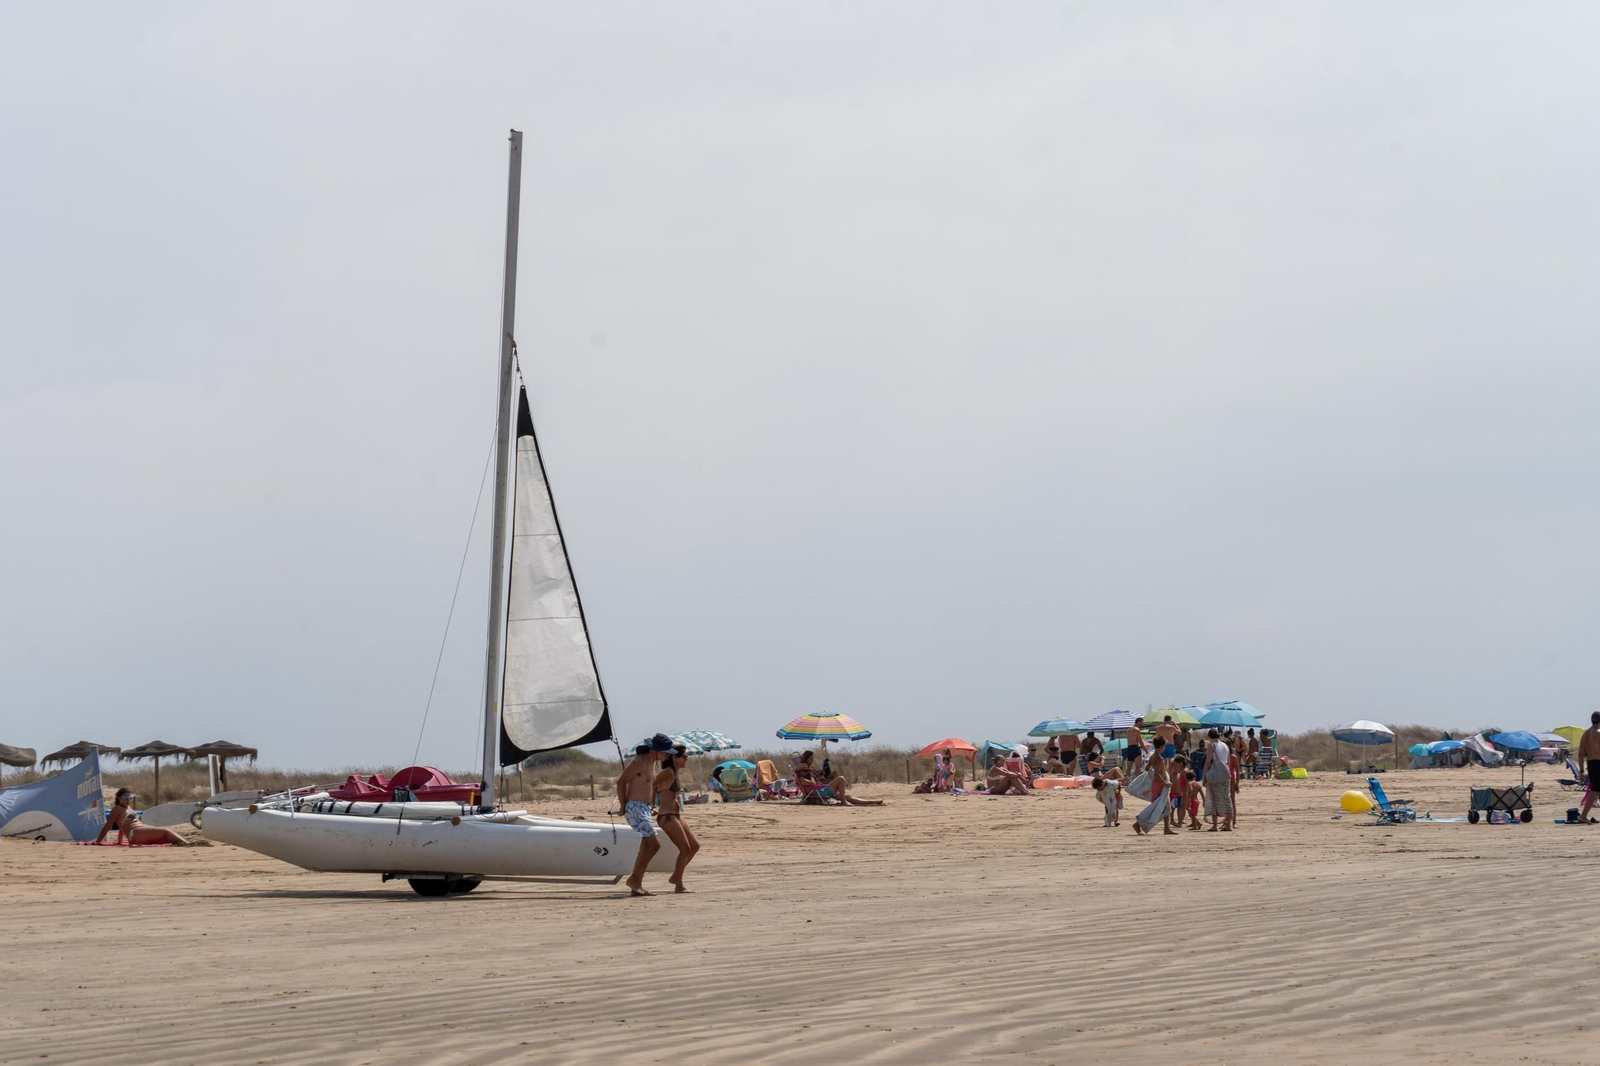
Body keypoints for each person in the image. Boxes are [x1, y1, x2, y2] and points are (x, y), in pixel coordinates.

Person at [618, 735, 674, 896]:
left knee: (646, 845)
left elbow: (649, 785)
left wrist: (651, 805)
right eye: (665, 752)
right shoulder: (639, 762)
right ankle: (634, 880)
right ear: (655, 750)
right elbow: (621, 782)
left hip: (643, 808)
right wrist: (623, 805)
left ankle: (636, 884)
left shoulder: (652, 764)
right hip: (634, 807)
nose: (667, 755)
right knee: (654, 844)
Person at [653, 746, 700, 893]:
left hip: (676, 815)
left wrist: (686, 802)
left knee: (695, 846)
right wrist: (651, 804)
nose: (686, 759)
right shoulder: (667, 772)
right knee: (685, 849)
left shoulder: (675, 773)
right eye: (684, 757)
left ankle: (675, 876)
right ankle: (679, 885)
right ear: (674, 757)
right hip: (667, 816)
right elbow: (651, 784)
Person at [94, 788, 189, 846]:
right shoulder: (117, 809)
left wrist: (120, 842)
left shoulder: (129, 808)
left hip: (140, 830)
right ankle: (187, 844)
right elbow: (108, 825)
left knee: (163, 836)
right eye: (126, 798)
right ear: (119, 798)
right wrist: (98, 842)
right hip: (135, 833)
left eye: (130, 798)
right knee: (165, 831)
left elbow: (122, 827)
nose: (128, 800)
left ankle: (184, 843)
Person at [796, 750, 884, 805]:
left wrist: (816, 774)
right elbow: (813, 784)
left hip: (822, 790)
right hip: (821, 792)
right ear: (801, 771)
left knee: (848, 796)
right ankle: (843, 801)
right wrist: (811, 775)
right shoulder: (802, 779)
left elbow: (814, 782)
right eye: (805, 770)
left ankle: (872, 802)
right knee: (841, 778)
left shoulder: (806, 776)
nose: (807, 771)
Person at [1201, 728, 1234, 831]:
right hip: (1224, 773)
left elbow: (1207, 762)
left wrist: (1204, 776)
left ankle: (1215, 825)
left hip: (1215, 775)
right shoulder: (1225, 746)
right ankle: (1228, 824)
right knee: (1226, 798)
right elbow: (1227, 761)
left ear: (1209, 737)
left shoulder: (1212, 746)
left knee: (1213, 798)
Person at [1133, 753, 1172, 836]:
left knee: (1162, 806)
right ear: (1162, 746)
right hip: (1160, 785)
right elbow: (1157, 774)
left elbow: (1147, 768)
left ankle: (1167, 828)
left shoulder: (1153, 756)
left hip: (1155, 784)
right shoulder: (1160, 759)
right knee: (1159, 806)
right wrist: (1165, 783)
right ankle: (1137, 824)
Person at [1578, 712, 1600, 823]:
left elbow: (1580, 755)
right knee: (1595, 790)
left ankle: (1583, 815)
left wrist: (1581, 771)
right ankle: (1583, 816)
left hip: (1590, 764)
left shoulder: (1585, 734)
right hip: (1598, 763)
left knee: (1598, 790)